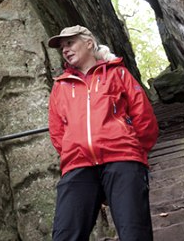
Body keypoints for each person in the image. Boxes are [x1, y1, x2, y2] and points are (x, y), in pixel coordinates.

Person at [47, 25, 159, 241]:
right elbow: (57, 131)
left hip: (122, 159)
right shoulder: (60, 87)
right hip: (78, 165)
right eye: (62, 47)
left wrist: (134, 152)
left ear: (89, 43)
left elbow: (144, 118)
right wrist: (73, 151)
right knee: (65, 235)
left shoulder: (118, 74)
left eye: (70, 43)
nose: (65, 50)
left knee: (134, 233)